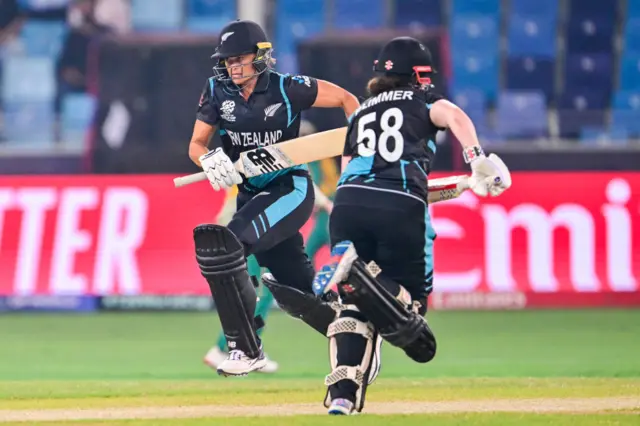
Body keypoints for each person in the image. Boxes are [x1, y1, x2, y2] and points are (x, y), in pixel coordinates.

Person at [311, 36, 512, 415]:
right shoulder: (423, 101)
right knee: (412, 306)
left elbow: (360, 179)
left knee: (353, 309)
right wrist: (476, 158)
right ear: (417, 75)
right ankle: (364, 276)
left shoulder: (357, 117)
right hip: (399, 206)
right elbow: (454, 115)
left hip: (348, 205)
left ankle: (343, 392)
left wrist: (468, 184)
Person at [188, 19, 360, 377]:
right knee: (298, 292)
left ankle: (245, 348)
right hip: (251, 197)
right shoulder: (217, 91)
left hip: (290, 189)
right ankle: (355, 343)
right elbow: (197, 144)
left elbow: (347, 99)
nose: (232, 67)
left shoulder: (288, 88)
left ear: (261, 56)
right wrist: (209, 158)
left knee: (225, 246)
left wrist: (359, 149)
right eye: (227, 60)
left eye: (240, 59)